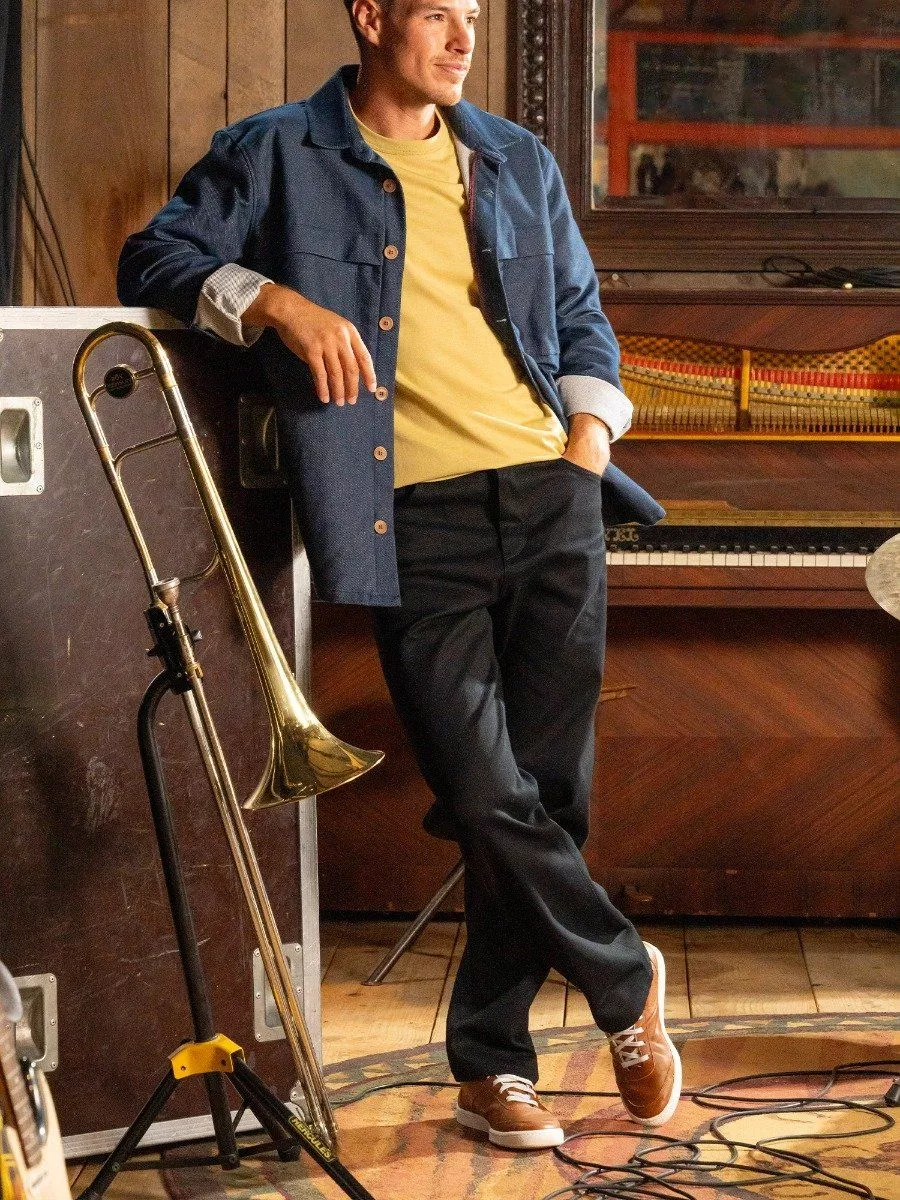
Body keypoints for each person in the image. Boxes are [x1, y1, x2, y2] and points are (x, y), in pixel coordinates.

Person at [117, 0, 680, 1152]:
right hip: (414, 520)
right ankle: (624, 981)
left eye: (472, 15)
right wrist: (275, 302)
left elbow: (581, 318)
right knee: (482, 792)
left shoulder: (516, 158)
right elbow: (153, 256)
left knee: (549, 796)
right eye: (438, 13)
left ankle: (492, 1066)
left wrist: (588, 446)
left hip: (552, 495)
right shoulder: (276, 150)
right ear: (371, 17)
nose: (464, 38)